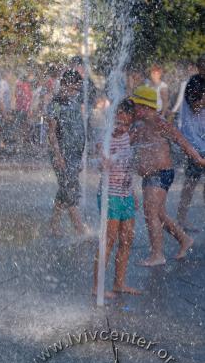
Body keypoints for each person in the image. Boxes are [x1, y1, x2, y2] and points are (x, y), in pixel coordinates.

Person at [129, 85, 205, 265]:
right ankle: (184, 239)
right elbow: (126, 143)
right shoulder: (138, 126)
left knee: (150, 212)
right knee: (159, 213)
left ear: (145, 107)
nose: (133, 109)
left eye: (136, 106)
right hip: (149, 176)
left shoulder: (160, 123)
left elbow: (182, 142)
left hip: (161, 174)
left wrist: (199, 160)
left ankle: (157, 255)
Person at [93, 99, 141, 298]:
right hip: (110, 196)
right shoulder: (105, 137)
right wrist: (102, 159)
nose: (121, 127)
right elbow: (99, 160)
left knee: (127, 239)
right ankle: (97, 286)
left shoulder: (129, 137)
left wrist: (134, 193)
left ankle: (119, 283)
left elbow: (128, 167)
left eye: (126, 124)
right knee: (109, 240)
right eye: (118, 122)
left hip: (126, 194)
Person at [47, 70, 87, 236]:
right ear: (64, 84)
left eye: (77, 89)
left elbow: (79, 128)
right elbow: (51, 132)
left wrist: (81, 156)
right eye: (73, 89)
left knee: (64, 189)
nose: (75, 93)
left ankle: (53, 227)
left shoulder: (75, 102)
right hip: (62, 154)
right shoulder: (55, 103)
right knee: (70, 190)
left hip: (75, 154)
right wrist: (58, 156)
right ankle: (80, 230)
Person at [176, 75, 205, 231]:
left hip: (201, 140)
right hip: (194, 143)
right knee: (190, 183)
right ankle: (181, 219)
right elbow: (195, 106)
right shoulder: (194, 82)